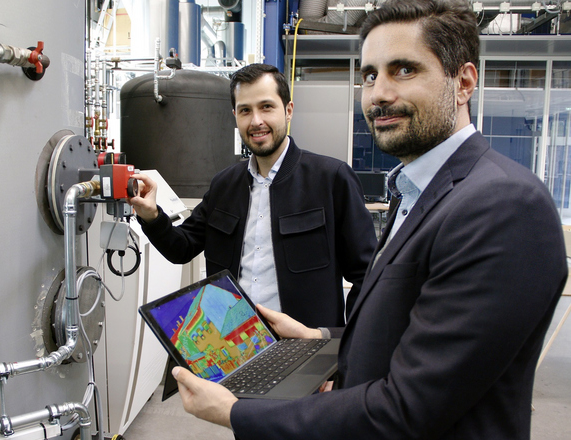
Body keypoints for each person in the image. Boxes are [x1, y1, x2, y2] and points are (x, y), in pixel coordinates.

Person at [168, 1, 569, 439]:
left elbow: (407, 407)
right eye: (370, 75)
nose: (379, 94)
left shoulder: (502, 205)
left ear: (464, 82)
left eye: (404, 70)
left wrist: (235, 413)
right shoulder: (412, 194)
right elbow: (407, 332)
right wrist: (321, 338)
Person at [128, 63, 377, 330]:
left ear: (288, 110)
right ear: (235, 115)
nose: (256, 121)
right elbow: (182, 247)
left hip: (304, 351)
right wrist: (151, 215)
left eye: (266, 107)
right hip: (231, 346)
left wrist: (342, 346)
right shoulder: (225, 185)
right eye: (245, 110)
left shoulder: (331, 179)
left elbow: (367, 276)